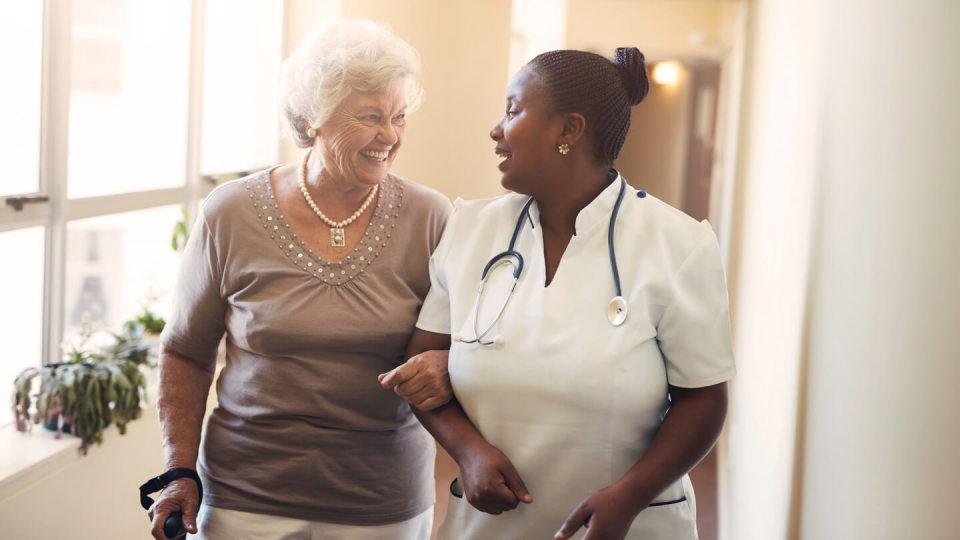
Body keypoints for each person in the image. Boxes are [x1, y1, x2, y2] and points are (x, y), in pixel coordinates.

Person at [385, 47, 736, 539]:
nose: (495, 129)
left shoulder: (677, 244)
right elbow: (421, 365)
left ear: (569, 130)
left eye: (512, 110)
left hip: (628, 525)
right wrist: (467, 450)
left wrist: (632, 495)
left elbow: (703, 398)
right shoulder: (469, 229)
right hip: (490, 525)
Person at [148, 21, 453, 540]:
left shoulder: (430, 217)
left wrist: (449, 363)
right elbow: (185, 351)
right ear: (313, 118)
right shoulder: (231, 213)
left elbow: (464, 341)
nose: (391, 135)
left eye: (399, 117)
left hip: (381, 502)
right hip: (244, 498)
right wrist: (180, 467)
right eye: (371, 117)